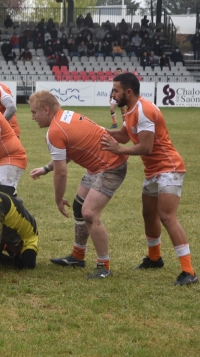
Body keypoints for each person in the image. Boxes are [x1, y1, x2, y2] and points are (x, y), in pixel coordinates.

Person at [102, 73, 198, 286]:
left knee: (167, 216)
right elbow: (124, 135)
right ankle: (154, 258)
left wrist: (119, 150)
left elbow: (146, 147)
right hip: (153, 171)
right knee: (148, 214)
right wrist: (97, 130)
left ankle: (189, 271)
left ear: (128, 92)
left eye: (116, 90)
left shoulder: (144, 110)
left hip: (169, 168)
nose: (113, 94)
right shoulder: (130, 111)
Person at [28, 91, 128, 279]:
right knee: (79, 206)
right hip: (99, 165)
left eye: (34, 112)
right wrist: (45, 168)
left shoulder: (55, 131)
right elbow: (69, 152)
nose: (32, 117)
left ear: (46, 110)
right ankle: (78, 256)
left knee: (89, 213)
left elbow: (62, 172)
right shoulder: (66, 116)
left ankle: (104, 266)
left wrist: (58, 199)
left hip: (110, 166)